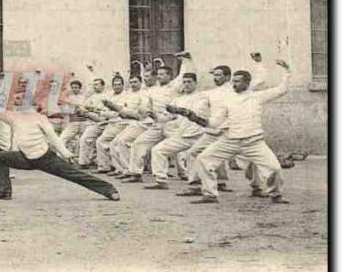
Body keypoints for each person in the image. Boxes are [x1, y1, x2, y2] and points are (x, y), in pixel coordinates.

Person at [0, 92, 120, 201]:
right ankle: (3, 191)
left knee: (73, 174)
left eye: (19, 99)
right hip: (24, 158)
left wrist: (66, 154)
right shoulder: (12, 116)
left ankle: (109, 190)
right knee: (0, 157)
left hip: (45, 158)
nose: (15, 101)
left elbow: (53, 138)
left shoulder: (40, 118)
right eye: (15, 99)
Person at [188, 60, 292, 204]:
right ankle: (210, 194)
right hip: (229, 141)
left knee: (274, 168)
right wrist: (195, 118)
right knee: (203, 159)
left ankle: (275, 194)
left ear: (247, 83)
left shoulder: (258, 97)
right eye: (233, 81)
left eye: (237, 81)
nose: (234, 84)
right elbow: (214, 123)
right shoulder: (228, 100)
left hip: (253, 142)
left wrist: (287, 71)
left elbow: (281, 90)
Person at [123, 53, 190, 183]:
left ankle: (184, 173)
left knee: (179, 150)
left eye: (162, 74)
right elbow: (147, 106)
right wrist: (147, 112)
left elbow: (183, 74)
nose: (159, 77)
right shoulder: (153, 90)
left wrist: (187, 61)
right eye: (158, 75)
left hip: (172, 123)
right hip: (157, 124)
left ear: (169, 76)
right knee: (138, 143)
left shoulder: (175, 86)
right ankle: (136, 173)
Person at [142, 73, 208, 189]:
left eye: (189, 82)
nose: (186, 84)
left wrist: (181, 111)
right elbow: (166, 117)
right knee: (158, 150)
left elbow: (198, 114)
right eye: (184, 82)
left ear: (195, 83)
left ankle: (199, 184)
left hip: (200, 134)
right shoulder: (178, 100)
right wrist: (154, 116)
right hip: (183, 134)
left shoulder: (203, 97)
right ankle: (161, 181)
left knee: (194, 156)